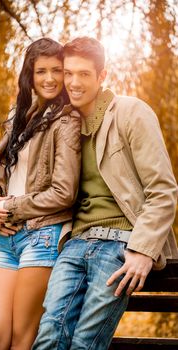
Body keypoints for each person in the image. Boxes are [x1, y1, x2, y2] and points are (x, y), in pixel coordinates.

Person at [33, 37, 178, 350]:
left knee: (85, 344)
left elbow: (163, 190)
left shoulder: (130, 112)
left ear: (101, 76)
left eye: (84, 74)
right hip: (73, 246)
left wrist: (143, 249)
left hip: (120, 243)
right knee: (47, 340)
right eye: (68, 73)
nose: (73, 82)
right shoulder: (61, 124)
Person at [0, 38, 81, 350]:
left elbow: (64, 193)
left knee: (23, 340)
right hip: (6, 240)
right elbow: (2, 174)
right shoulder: (17, 116)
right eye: (41, 71)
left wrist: (10, 208)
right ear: (29, 75)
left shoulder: (67, 120)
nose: (49, 78)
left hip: (42, 237)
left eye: (56, 70)